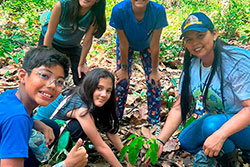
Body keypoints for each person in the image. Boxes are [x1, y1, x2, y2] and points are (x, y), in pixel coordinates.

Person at [144, 12, 250, 166]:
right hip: (220, 118)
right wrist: (160, 141)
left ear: (214, 34)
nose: (195, 43)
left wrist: (220, 134)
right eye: (189, 39)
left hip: (243, 125)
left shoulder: (235, 61)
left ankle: (232, 156)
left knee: (211, 126)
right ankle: (224, 147)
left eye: (200, 36)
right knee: (185, 141)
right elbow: (179, 107)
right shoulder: (193, 67)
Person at [0, 46, 88, 167]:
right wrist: (67, 165)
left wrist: (35, 123)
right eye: (45, 76)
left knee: (51, 126)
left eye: (59, 82)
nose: (52, 86)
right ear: (22, 76)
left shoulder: (10, 96)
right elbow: (15, 120)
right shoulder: (17, 119)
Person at [34, 68, 131, 167]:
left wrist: (128, 159)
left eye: (108, 90)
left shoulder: (88, 97)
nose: (104, 94)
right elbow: (101, 147)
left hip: (47, 133)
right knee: (80, 127)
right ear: (90, 87)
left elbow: (109, 130)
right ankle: (57, 158)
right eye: (99, 88)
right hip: (39, 142)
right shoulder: (81, 108)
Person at [109, 0, 168, 128]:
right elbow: (124, 44)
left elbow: (155, 44)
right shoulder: (119, 10)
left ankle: (154, 121)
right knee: (122, 82)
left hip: (147, 45)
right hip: (126, 45)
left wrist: (154, 70)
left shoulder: (158, 11)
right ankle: (116, 119)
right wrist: (124, 70)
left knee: (154, 82)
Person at [39, 0, 106, 85]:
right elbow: (50, 33)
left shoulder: (93, 16)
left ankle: (78, 96)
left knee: (82, 76)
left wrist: (81, 64)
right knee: (44, 70)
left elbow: (87, 41)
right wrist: (46, 57)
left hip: (72, 46)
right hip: (51, 41)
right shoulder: (61, 6)